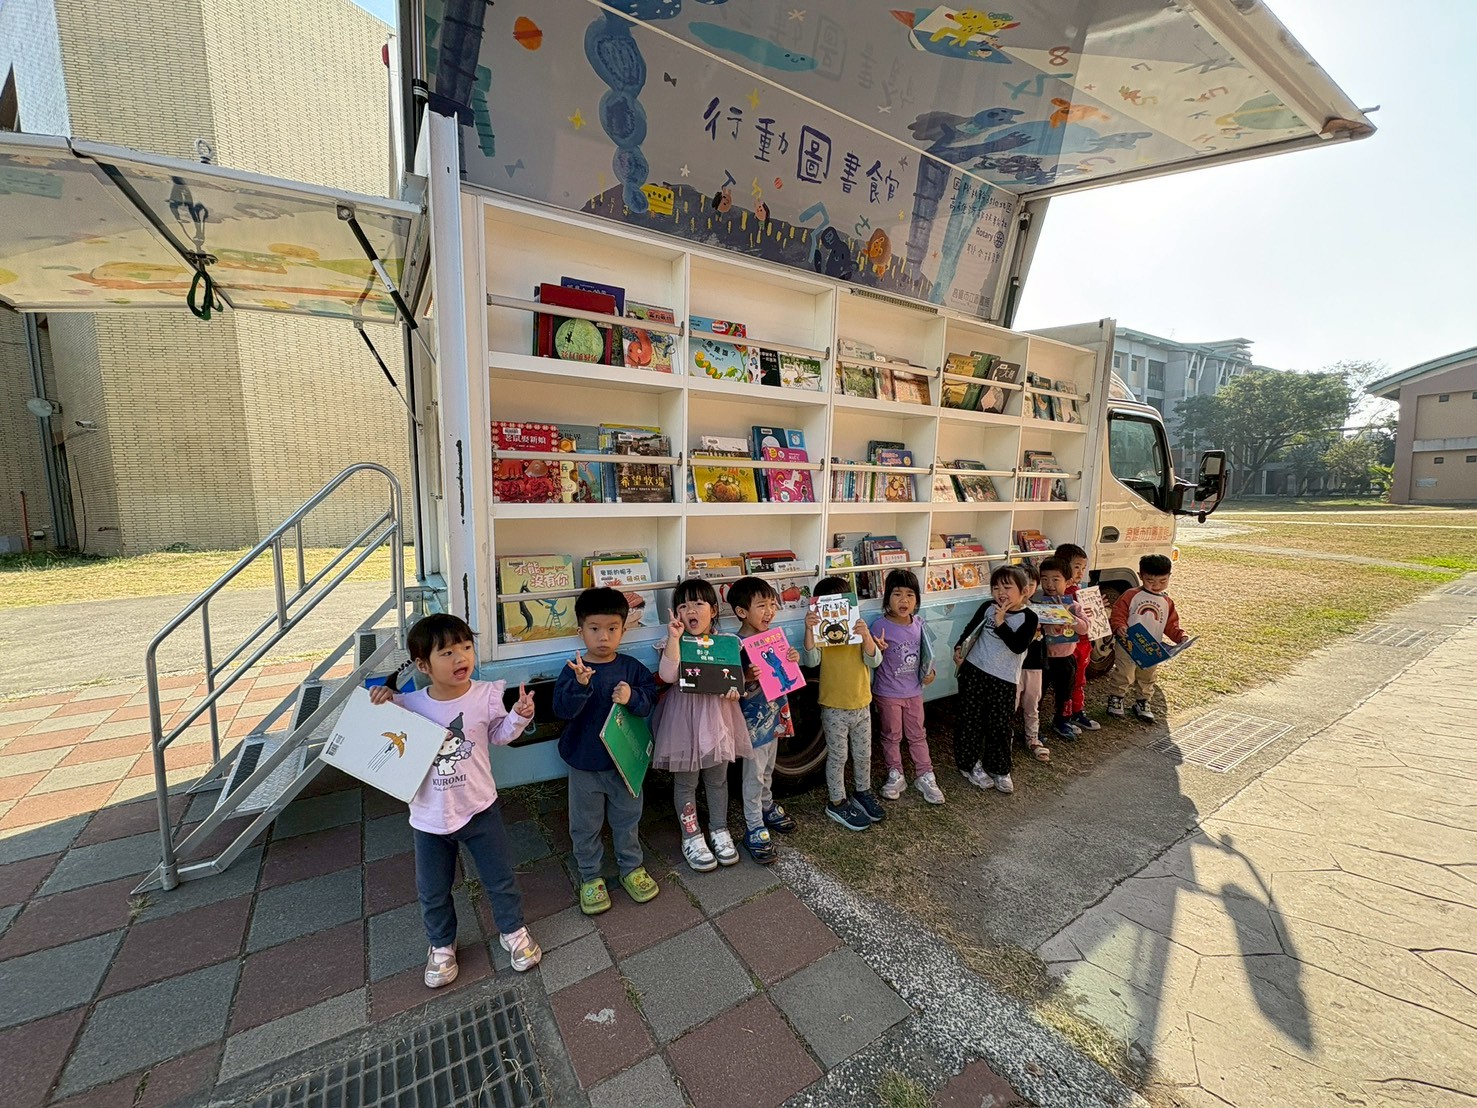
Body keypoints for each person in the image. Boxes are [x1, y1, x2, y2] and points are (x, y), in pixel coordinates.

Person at [368, 613, 542, 987]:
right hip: (428, 817)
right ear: (422, 665)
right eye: (446, 652)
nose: (461, 657)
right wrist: (381, 700)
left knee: (499, 877)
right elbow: (378, 732)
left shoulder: (485, 694)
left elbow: (498, 736)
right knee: (432, 889)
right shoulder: (409, 705)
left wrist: (518, 716)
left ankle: (512, 931)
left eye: (466, 647)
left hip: (480, 807)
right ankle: (441, 945)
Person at [553, 587, 661, 915]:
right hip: (585, 763)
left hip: (625, 764)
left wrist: (633, 697)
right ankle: (590, 876)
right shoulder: (574, 670)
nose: (603, 637)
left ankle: (631, 867)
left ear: (624, 630)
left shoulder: (631, 668)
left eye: (612, 629)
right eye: (594, 629)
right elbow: (561, 709)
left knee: (628, 817)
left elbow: (649, 699)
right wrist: (581, 686)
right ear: (580, 630)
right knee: (585, 822)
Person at [652, 578, 753, 871]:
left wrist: (738, 689)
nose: (690, 610)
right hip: (682, 721)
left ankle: (719, 829)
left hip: (719, 719)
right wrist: (673, 638)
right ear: (676, 614)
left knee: (717, 778)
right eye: (682, 605)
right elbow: (669, 675)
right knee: (686, 782)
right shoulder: (674, 642)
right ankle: (691, 834)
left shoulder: (728, 643)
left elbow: (737, 682)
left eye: (698, 603)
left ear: (713, 610)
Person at [802, 575, 884, 831]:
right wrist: (809, 629)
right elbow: (811, 661)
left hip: (862, 704)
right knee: (838, 756)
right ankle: (836, 801)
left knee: (863, 754)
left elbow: (875, 661)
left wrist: (866, 635)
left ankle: (863, 791)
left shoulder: (859, 630)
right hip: (834, 706)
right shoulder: (822, 635)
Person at [730, 576, 801, 863]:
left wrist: (792, 658)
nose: (770, 611)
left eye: (772, 604)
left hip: (774, 715)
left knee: (769, 766)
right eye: (762, 605)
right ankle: (753, 825)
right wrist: (745, 678)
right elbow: (731, 688)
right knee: (754, 773)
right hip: (753, 720)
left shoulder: (772, 638)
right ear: (741, 612)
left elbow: (783, 674)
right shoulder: (736, 645)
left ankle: (766, 805)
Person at [952, 565, 1039, 794]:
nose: (1001, 592)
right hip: (975, 672)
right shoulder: (986, 608)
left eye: (1007, 587)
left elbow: (1018, 645)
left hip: (1004, 679)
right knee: (970, 721)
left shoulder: (1029, 618)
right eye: (996, 587)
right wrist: (959, 648)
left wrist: (1000, 623)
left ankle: (999, 768)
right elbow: (970, 631)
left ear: (1024, 591)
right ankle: (969, 764)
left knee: (1000, 726)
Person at [869, 569, 944, 804]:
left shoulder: (919, 624)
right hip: (887, 693)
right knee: (891, 735)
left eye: (910, 595)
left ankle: (925, 774)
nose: (904, 601)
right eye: (897, 594)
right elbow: (870, 660)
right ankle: (895, 773)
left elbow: (927, 654)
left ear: (917, 600)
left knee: (917, 734)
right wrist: (876, 648)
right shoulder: (879, 626)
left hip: (914, 692)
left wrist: (930, 672)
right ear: (887, 599)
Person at [1107, 553, 1186, 724]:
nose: (1156, 585)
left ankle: (1142, 702)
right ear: (1140, 575)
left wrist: (1180, 636)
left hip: (1151, 646)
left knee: (1147, 675)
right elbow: (1118, 613)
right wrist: (1119, 627)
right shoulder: (1131, 595)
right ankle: (1116, 698)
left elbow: (1171, 624)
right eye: (1150, 581)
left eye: (1163, 581)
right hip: (1128, 642)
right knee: (1124, 672)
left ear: (1169, 577)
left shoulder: (1167, 601)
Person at [1034, 558, 1091, 743]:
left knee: (1065, 692)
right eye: (1044, 579)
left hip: (1066, 658)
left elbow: (1085, 628)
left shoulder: (1073, 605)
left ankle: (1062, 720)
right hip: (1041, 659)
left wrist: (1071, 619)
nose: (1049, 584)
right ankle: (1033, 727)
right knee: (1037, 694)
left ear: (1068, 582)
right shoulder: (1036, 603)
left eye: (1055, 579)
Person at [1056, 543, 1101, 735]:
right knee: (1068, 681)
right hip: (1068, 645)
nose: (1081, 572)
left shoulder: (1080, 590)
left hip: (1083, 643)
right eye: (1076, 567)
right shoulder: (1061, 594)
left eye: (1083, 568)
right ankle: (1064, 715)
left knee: (1079, 679)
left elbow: (1091, 619)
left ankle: (1077, 711)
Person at [1015, 561, 1050, 764]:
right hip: (1013, 666)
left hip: (1035, 664)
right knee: (1011, 704)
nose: (1026, 587)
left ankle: (1033, 738)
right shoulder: (1008, 612)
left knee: (1032, 703)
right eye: (1021, 582)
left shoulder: (1042, 610)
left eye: (1031, 583)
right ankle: (1005, 736)